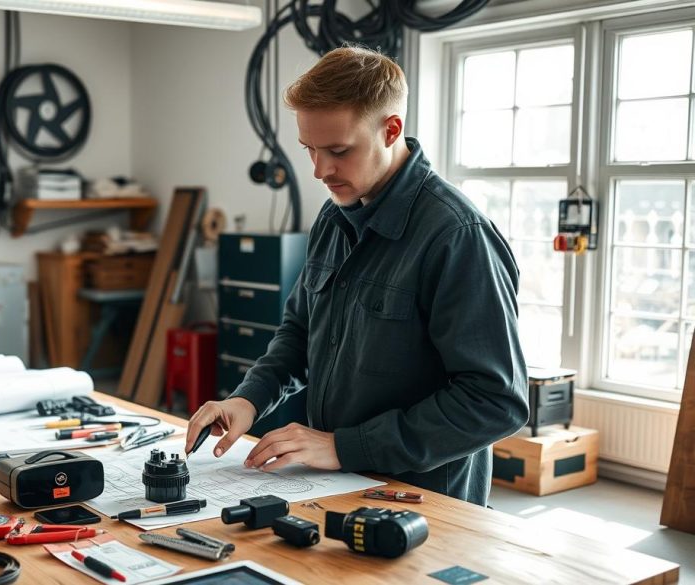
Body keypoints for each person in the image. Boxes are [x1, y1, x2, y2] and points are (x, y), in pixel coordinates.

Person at [184, 46, 528, 506]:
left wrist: (344, 446)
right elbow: (300, 332)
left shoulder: (456, 236)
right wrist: (248, 399)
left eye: (339, 151)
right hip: (334, 482)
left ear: (391, 130)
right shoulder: (334, 217)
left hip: (422, 499)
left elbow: (495, 401)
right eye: (310, 149)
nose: (320, 171)